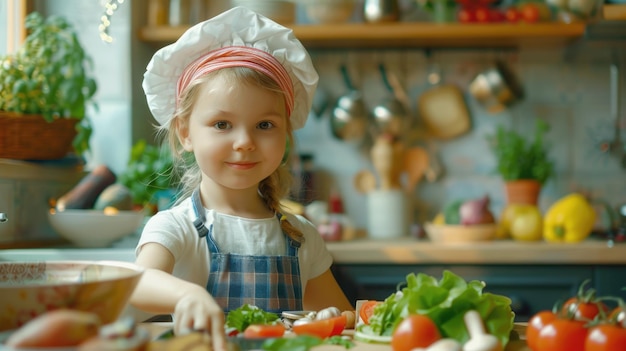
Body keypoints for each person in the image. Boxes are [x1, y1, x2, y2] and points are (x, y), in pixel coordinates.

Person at [130, 6, 355, 351]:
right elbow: (138, 284)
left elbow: (342, 320)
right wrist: (186, 295)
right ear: (185, 132)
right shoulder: (175, 228)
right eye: (222, 124)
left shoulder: (301, 236)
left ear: (286, 135)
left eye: (265, 125)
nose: (245, 142)